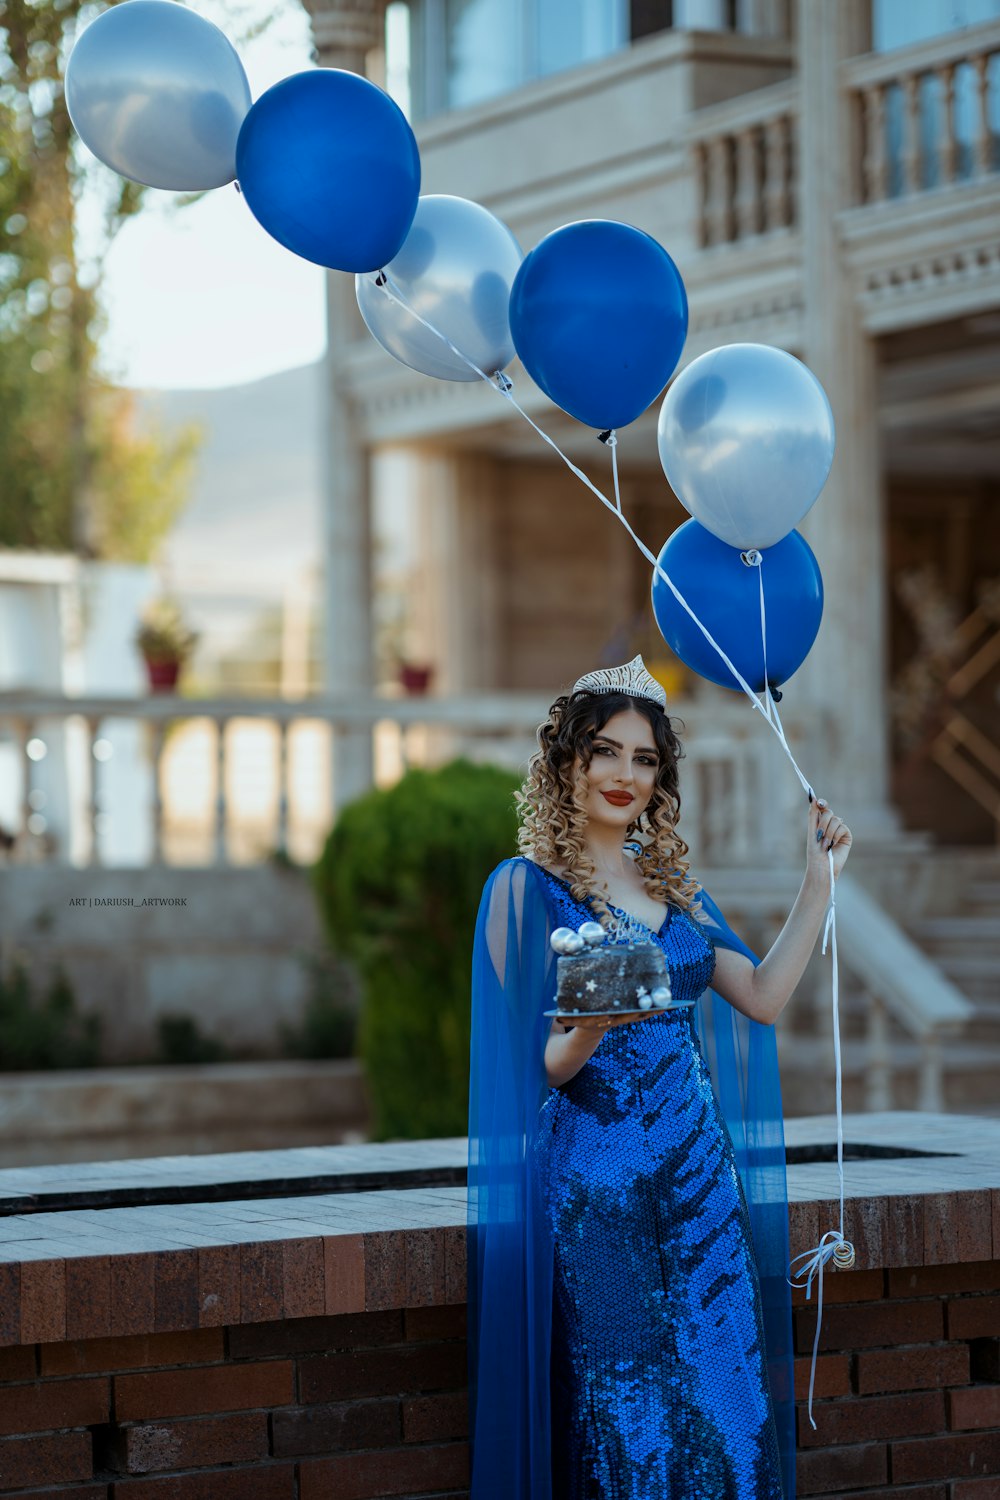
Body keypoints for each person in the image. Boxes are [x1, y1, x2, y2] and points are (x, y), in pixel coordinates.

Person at [466, 655, 852, 1500]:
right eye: (606, 752)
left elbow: (760, 996)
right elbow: (533, 1066)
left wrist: (817, 883)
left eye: (645, 760)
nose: (624, 775)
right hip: (596, 1187)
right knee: (626, 1409)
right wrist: (591, 1030)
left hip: (701, 1185)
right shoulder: (522, 891)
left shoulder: (676, 890)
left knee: (730, 1399)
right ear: (567, 760)